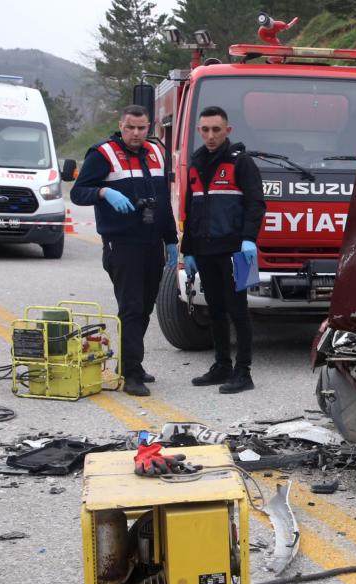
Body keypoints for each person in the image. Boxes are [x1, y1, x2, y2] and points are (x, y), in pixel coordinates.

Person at [70, 105, 178, 397]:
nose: (135, 133)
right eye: (130, 127)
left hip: (151, 242)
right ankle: (131, 374)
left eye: (142, 128)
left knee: (144, 307)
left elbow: (163, 200)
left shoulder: (155, 152)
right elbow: (78, 192)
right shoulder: (102, 153)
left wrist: (171, 239)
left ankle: (134, 363)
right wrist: (104, 192)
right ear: (121, 125)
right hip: (122, 244)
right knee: (130, 307)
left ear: (149, 128)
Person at [181, 106, 266, 394]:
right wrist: (188, 250)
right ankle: (222, 366)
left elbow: (257, 204)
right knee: (215, 309)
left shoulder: (242, 162)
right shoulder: (195, 163)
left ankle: (244, 372)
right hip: (205, 250)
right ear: (199, 131)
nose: (210, 135)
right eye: (205, 129)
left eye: (216, 129)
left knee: (239, 311)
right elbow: (191, 210)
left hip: (241, 252)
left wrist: (249, 239)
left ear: (227, 131)